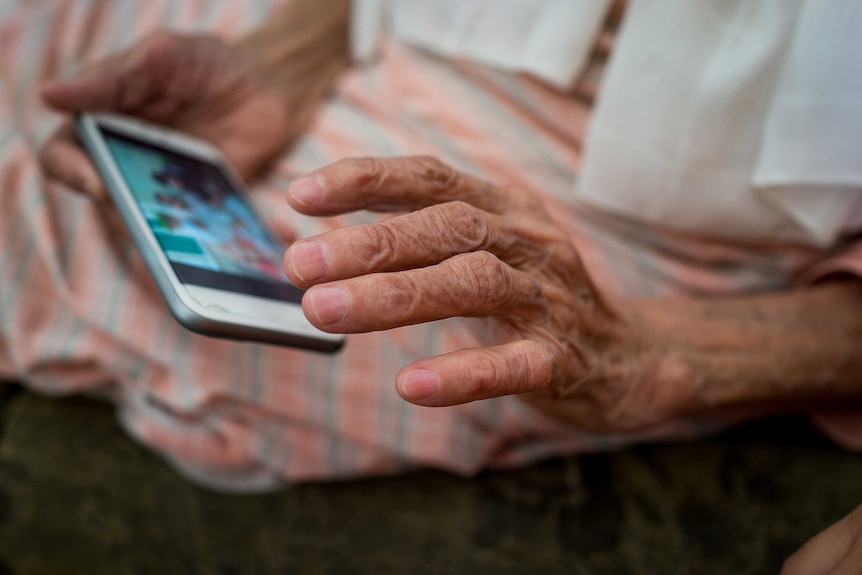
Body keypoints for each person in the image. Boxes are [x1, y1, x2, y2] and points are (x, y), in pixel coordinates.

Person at [1, 0, 859, 572]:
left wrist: (662, 355)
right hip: (386, 30)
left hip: (670, 207)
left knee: (41, 233)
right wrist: (292, 50)